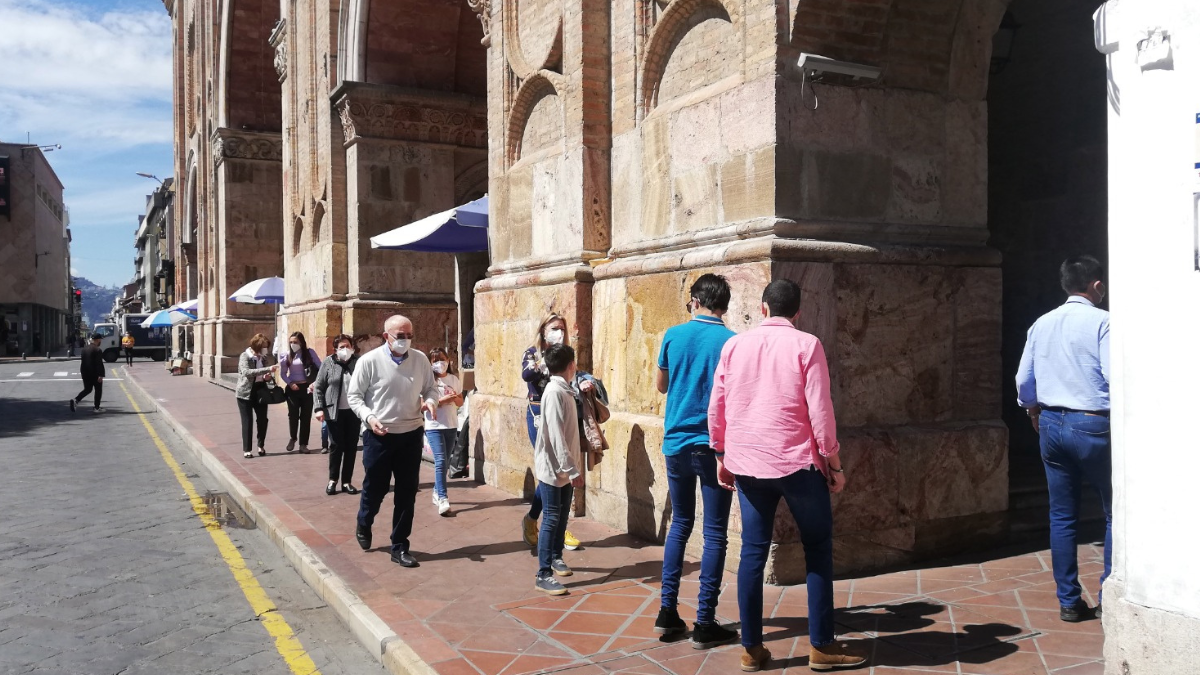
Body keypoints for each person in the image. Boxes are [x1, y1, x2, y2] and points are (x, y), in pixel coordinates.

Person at [709, 279, 866, 673]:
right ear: (797, 312)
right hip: (797, 464)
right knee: (817, 547)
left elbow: (719, 405)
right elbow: (820, 409)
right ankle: (823, 646)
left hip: (747, 464)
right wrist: (834, 463)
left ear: (762, 308)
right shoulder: (806, 344)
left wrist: (722, 455)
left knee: (752, 551)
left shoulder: (733, 345)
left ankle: (752, 648)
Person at [1016, 255, 1111, 623]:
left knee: (1061, 515)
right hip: (1094, 424)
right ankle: (1107, 596)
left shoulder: (1042, 323)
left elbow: (1025, 379)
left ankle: (1069, 601)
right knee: (1113, 512)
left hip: (1052, 422)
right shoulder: (1104, 322)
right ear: (1096, 286)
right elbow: (1112, 375)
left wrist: (1032, 410)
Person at [653, 274, 738, 648]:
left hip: (676, 443)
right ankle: (705, 620)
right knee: (714, 532)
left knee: (680, 524)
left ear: (694, 301)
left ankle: (667, 611)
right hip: (714, 446)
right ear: (724, 305)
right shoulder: (732, 342)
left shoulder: (673, 335)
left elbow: (662, 385)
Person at [347, 315, 440, 568]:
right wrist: (369, 418)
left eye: (409, 335)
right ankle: (364, 522)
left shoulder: (420, 360)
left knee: (407, 492)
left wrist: (430, 402)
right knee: (375, 489)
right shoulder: (369, 361)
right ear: (386, 336)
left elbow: (432, 388)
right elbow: (354, 397)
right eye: (400, 336)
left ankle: (399, 545)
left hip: (410, 434)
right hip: (379, 436)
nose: (405, 340)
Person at [520, 313, 585, 551]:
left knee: (560, 469)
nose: (558, 332)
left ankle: (540, 518)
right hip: (538, 412)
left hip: (563, 410)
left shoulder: (565, 353)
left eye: (561, 328)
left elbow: (574, 376)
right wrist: (547, 359)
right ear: (543, 330)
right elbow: (527, 374)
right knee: (549, 468)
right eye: (554, 328)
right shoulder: (533, 353)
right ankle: (553, 523)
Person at [532, 344, 583, 595]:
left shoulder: (565, 389)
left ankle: (555, 556)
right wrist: (571, 469)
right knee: (552, 517)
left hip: (564, 467)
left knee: (562, 515)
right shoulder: (554, 392)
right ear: (570, 365)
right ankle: (543, 573)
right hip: (554, 469)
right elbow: (555, 435)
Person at [313, 334, 361, 496]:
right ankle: (333, 480)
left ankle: (347, 481)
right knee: (336, 446)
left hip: (354, 412)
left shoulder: (358, 362)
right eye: (342, 347)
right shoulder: (328, 363)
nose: (345, 349)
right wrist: (319, 408)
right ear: (336, 349)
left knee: (351, 447)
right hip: (334, 412)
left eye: (348, 346)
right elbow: (318, 387)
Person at [424, 347, 464, 516]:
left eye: (442, 359)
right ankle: (442, 498)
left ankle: (436, 490)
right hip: (434, 426)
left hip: (451, 424)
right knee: (440, 460)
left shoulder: (454, 379)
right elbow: (421, 405)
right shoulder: (428, 381)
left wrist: (454, 398)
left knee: (446, 461)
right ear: (431, 364)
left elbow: (461, 402)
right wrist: (441, 401)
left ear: (448, 360)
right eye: (435, 360)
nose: (440, 363)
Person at [236, 334, 278, 459]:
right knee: (247, 421)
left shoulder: (263, 358)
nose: (266, 349)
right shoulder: (245, 356)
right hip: (245, 392)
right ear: (257, 346)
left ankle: (261, 445)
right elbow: (247, 373)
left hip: (260, 390)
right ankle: (247, 449)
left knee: (262, 420)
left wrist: (267, 377)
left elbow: (264, 374)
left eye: (267, 347)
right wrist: (266, 370)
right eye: (264, 347)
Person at [279, 331, 320, 453]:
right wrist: (290, 383)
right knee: (293, 415)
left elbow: (321, 367)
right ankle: (293, 438)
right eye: (291, 342)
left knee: (306, 417)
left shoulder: (309, 353)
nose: (293, 344)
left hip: (307, 388)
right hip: (293, 389)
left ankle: (303, 444)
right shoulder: (287, 355)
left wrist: (315, 383)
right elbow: (283, 373)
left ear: (301, 342)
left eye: (295, 342)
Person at [69, 333, 106, 413]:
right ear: (97, 340)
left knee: (88, 389)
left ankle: (76, 400)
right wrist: (101, 375)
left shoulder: (84, 349)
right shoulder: (97, 350)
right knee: (98, 390)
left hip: (85, 372)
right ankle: (96, 408)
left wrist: (83, 372)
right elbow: (99, 363)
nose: (101, 341)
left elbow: (83, 361)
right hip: (95, 373)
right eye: (100, 339)